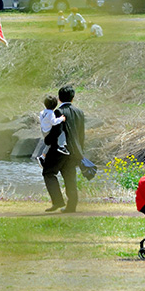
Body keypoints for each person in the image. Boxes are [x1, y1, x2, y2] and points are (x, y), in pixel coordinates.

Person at [43, 85, 85, 213]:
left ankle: (58, 201)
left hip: (59, 150)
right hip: (74, 150)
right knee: (70, 177)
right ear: (72, 98)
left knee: (48, 173)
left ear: (59, 98)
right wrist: (80, 151)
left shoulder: (58, 112)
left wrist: (47, 141)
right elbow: (81, 134)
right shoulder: (79, 112)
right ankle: (71, 206)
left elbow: (56, 132)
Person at [37, 94, 65, 164]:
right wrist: (61, 118)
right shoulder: (51, 113)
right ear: (55, 105)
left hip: (43, 130)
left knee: (49, 144)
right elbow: (54, 122)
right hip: (48, 131)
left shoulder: (42, 112)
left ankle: (43, 157)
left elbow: (41, 120)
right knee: (60, 134)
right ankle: (43, 156)